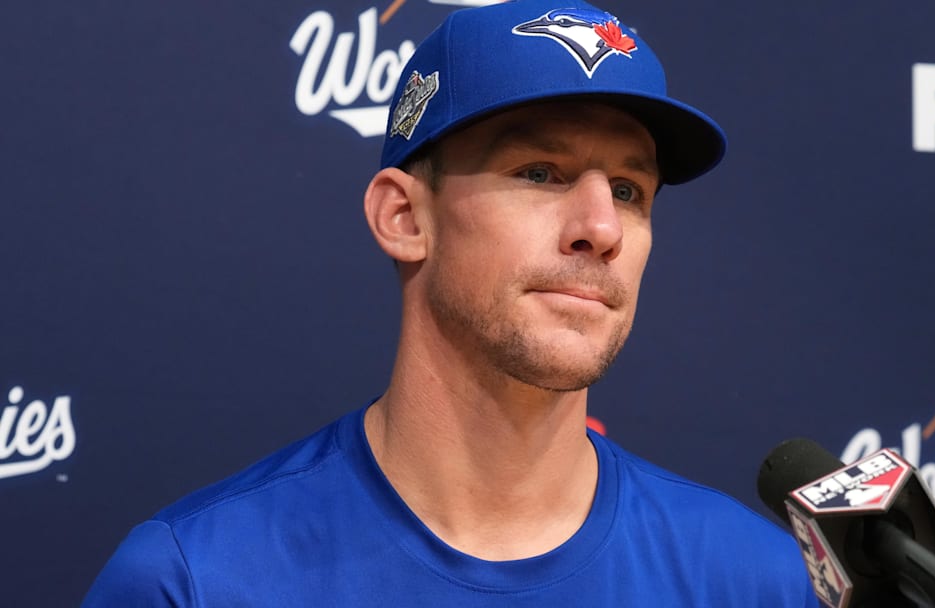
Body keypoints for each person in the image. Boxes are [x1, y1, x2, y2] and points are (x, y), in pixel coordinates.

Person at [83, 0, 819, 605]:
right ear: (404, 218)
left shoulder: (759, 580)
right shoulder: (198, 579)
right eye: (540, 172)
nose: (601, 230)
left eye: (630, 191)